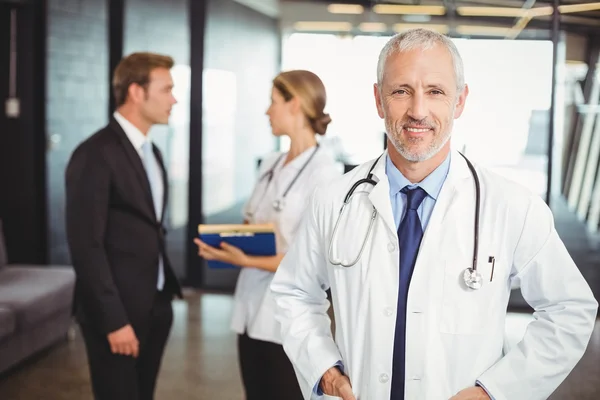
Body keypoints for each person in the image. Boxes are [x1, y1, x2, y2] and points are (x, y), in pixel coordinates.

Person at [270, 28, 598, 400]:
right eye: (401, 91)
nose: (418, 111)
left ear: (460, 101)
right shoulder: (333, 200)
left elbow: (569, 310)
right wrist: (324, 370)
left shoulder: (512, 207)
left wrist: (495, 392)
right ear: (378, 100)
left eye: (436, 91)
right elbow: (294, 292)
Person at [194, 70, 341, 400]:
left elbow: (311, 260)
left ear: (296, 105)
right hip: (249, 311)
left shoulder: (325, 174)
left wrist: (245, 258)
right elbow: (253, 222)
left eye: (273, 102)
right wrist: (227, 242)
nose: (266, 111)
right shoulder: (271, 163)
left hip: (286, 318)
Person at [65, 52, 183, 400]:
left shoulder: (153, 153)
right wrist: (114, 320)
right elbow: (86, 246)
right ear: (136, 92)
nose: (174, 99)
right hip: (116, 314)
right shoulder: (94, 154)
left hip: (155, 306)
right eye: (166, 89)